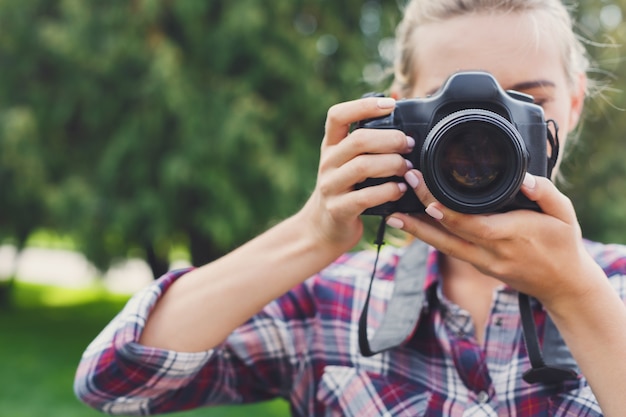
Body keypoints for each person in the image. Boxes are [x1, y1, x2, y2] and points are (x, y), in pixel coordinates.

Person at [74, 0, 626, 415]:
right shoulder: (331, 300)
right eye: (452, 104)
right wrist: (313, 234)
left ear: (572, 105)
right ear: (397, 106)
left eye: (525, 100)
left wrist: (577, 294)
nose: (484, 133)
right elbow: (116, 381)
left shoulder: (615, 286)